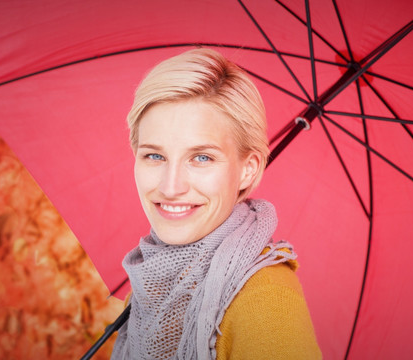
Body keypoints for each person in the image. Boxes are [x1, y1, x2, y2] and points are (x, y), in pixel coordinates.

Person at [111, 48, 321, 360]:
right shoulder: (148, 287)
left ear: (247, 169)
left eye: (201, 157)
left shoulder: (266, 299)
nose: (170, 187)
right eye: (154, 155)